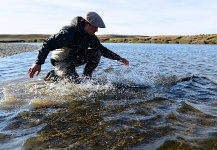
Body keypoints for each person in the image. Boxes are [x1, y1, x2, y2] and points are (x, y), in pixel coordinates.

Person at [28, 11, 129, 82]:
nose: (97, 30)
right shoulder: (68, 33)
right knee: (74, 85)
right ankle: (53, 77)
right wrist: (38, 63)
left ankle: (87, 79)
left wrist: (118, 58)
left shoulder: (91, 36)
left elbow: (101, 49)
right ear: (87, 24)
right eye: (95, 27)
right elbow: (47, 44)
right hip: (61, 62)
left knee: (96, 53)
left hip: (76, 58)